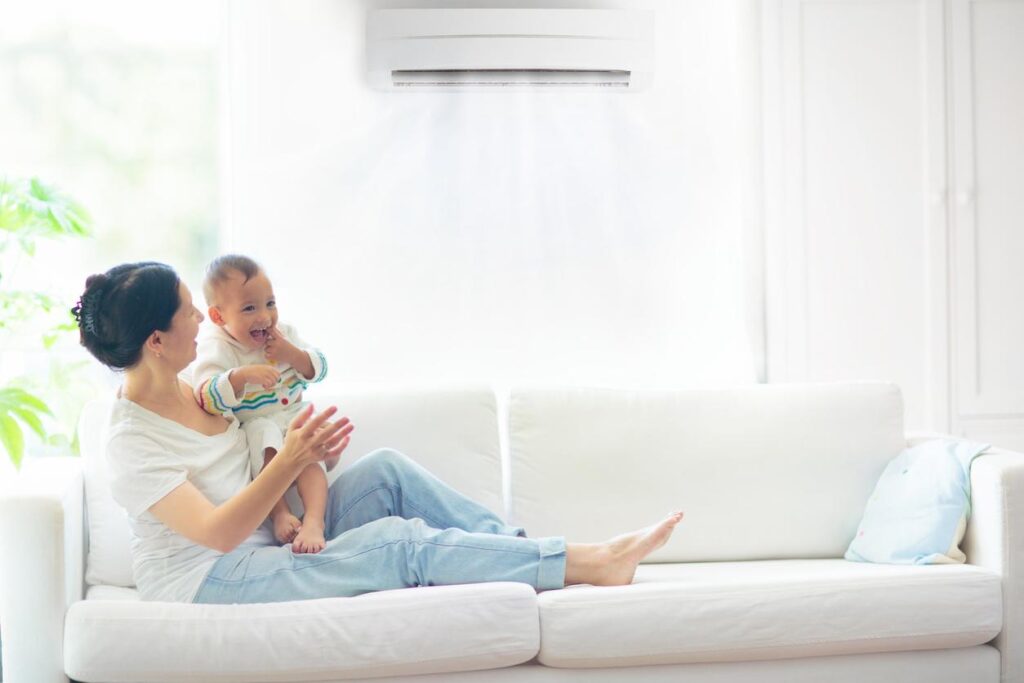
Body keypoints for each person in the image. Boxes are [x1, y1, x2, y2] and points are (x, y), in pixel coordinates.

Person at [71, 261, 684, 605]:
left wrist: (308, 456)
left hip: (266, 527)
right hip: (206, 576)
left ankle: (519, 554)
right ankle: (591, 562)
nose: (202, 322)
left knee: (387, 470)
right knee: (398, 544)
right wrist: (290, 460)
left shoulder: (192, 384)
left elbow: (267, 426)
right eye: (187, 312)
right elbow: (218, 533)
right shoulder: (130, 440)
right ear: (157, 341)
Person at [193, 254, 332, 553]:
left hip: (292, 414)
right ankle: (280, 512)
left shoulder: (286, 335)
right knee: (263, 444)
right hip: (258, 423)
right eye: (249, 308)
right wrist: (239, 377)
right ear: (219, 317)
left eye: (270, 303)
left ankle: (314, 521)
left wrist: (292, 354)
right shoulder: (217, 346)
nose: (265, 316)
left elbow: (320, 367)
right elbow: (204, 394)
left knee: (308, 449)